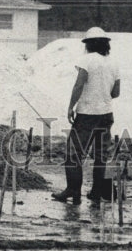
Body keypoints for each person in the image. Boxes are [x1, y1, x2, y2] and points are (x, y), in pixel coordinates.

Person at [52, 26, 121, 205]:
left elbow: (79, 85)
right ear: (106, 44)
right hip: (106, 114)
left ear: (88, 44)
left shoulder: (87, 60)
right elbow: (116, 93)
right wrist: (102, 92)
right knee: (100, 156)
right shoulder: (113, 63)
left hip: (87, 115)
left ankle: (73, 191)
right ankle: (96, 193)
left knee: (73, 154)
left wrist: (70, 107)